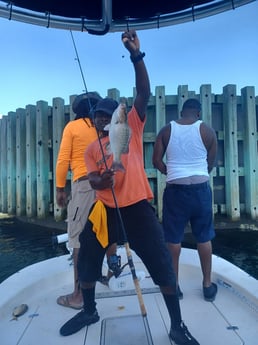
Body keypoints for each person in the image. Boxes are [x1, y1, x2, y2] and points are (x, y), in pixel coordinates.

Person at [59, 30, 200, 345]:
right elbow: (92, 179)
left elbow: (144, 93)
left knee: (161, 263)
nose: (97, 119)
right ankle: (90, 310)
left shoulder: (131, 127)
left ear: (115, 117)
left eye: (103, 115)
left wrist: (136, 55)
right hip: (105, 211)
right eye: (95, 116)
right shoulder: (93, 149)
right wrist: (101, 180)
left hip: (137, 208)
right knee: (85, 258)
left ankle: (177, 325)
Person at [152, 98, 218, 302]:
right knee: (203, 237)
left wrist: (171, 171)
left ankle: (174, 286)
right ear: (198, 113)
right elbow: (211, 164)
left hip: (175, 190)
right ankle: (207, 285)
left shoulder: (166, 130)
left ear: (181, 112)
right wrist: (196, 174)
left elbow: (156, 161)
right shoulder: (208, 131)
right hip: (200, 191)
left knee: (173, 239)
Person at [55, 92, 116, 309]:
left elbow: (63, 160)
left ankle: (78, 295)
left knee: (78, 240)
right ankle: (110, 276)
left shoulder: (72, 127)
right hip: (108, 187)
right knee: (107, 233)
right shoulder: (105, 128)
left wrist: (61, 188)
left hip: (84, 185)